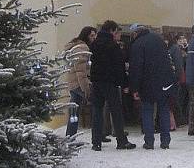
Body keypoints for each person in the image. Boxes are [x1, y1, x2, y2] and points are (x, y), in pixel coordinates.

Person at [89, 20, 136, 151]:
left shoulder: (94, 44)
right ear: (111, 31)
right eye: (117, 32)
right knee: (116, 111)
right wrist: (125, 83)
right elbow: (119, 67)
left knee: (97, 111)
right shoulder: (112, 45)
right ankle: (121, 140)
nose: (118, 34)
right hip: (110, 82)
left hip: (96, 81)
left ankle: (96, 141)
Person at [130, 25, 175, 149]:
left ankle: (149, 141)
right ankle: (165, 141)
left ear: (135, 33)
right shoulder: (158, 39)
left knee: (147, 111)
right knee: (164, 110)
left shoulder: (137, 44)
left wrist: (134, 88)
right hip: (164, 82)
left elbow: (136, 68)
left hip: (147, 83)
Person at [64, 26, 96, 137]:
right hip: (79, 84)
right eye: (92, 35)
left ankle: (70, 136)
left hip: (72, 83)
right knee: (96, 106)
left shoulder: (74, 47)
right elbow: (80, 71)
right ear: (86, 35)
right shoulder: (83, 48)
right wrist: (86, 88)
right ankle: (98, 134)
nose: (94, 38)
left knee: (74, 112)